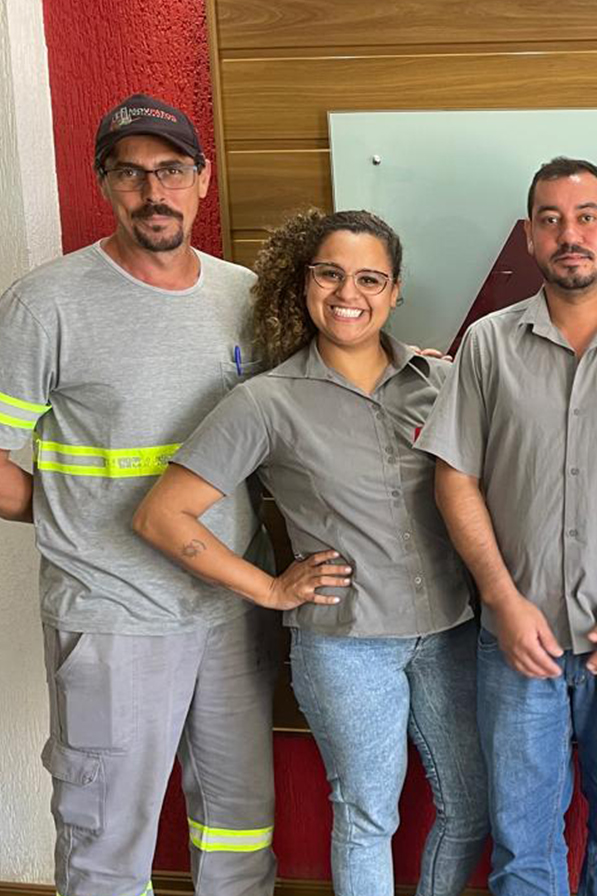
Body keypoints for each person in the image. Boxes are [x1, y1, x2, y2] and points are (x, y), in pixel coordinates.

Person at [132, 209, 489, 895]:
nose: (347, 292)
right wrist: (268, 589)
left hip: (449, 632)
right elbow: (160, 515)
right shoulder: (266, 401)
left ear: (394, 291)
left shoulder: (438, 382)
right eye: (329, 273)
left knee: (470, 807)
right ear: (304, 283)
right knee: (366, 816)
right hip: (347, 646)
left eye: (368, 278)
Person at [0, 94, 278, 896]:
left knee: (237, 828)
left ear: (202, 180)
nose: (153, 192)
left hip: (229, 607)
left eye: (170, 171)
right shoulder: (45, 303)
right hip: (113, 615)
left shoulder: (245, 295)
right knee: (105, 842)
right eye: (131, 174)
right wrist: (57, 512)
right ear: (104, 184)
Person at [419, 157, 597, 896]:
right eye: (550, 219)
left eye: (584, 217)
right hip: (517, 642)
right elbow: (455, 479)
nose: (568, 234)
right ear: (529, 237)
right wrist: (503, 603)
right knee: (522, 844)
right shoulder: (485, 344)